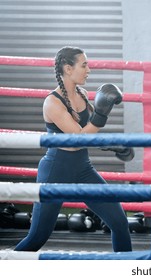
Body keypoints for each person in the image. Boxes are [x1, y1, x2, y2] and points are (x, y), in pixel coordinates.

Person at [14, 46, 132, 252]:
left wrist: (113, 145)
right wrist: (102, 114)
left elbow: (90, 132)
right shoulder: (52, 102)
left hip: (83, 169)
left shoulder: (83, 94)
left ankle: (124, 271)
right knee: (37, 237)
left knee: (120, 223)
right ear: (68, 69)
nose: (89, 70)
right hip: (55, 171)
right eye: (84, 65)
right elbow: (77, 138)